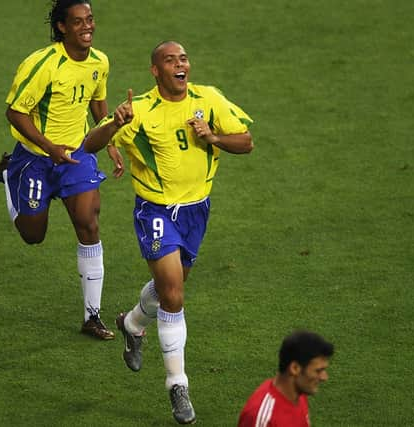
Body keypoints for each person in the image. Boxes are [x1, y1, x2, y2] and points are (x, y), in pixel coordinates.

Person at [84, 41, 254, 424]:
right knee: (174, 294)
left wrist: (214, 138)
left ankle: (132, 324)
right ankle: (178, 385)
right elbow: (89, 143)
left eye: (183, 59)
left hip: (196, 211)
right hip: (155, 211)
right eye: (170, 60)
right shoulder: (139, 110)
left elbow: (246, 142)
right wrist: (115, 122)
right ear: (155, 71)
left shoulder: (208, 99)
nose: (180, 65)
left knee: (167, 290)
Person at [0, 0, 124, 340]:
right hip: (36, 158)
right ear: (62, 27)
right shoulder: (42, 64)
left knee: (89, 222)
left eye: (90, 20)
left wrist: (109, 141)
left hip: (76, 155)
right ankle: (9, 173)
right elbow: (15, 113)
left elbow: (97, 102)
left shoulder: (99, 61)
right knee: (33, 235)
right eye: (78, 22)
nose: (87, 27)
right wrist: (50, 148)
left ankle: (92, 316)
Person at [238, 331, 335, 427]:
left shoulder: (299, 395)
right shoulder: (263, 419)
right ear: (295, 368)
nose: (324, 377)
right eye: (318, 371)